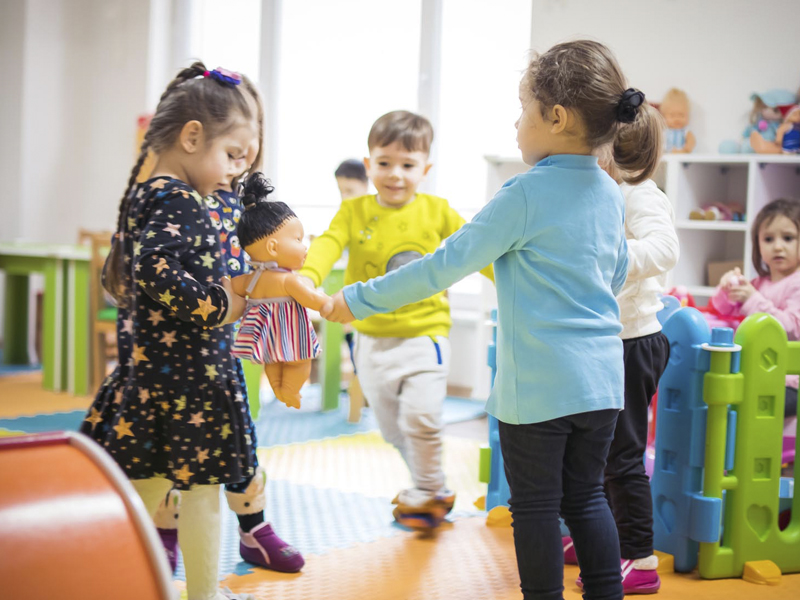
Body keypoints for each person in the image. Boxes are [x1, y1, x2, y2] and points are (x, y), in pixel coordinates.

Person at [322, 40, 664, 600]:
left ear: (556, 118)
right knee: (587, 498)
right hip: (603, 383)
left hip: (539, 389)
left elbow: (441, 267)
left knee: (536, 507)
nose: (516, 123)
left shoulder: (524, 194)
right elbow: (619, 268)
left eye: (523, 109)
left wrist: (357, 300)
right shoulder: (609, 191)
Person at [81, 62, 265, 600]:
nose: (236, 171)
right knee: (179, 494)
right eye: (232, 155)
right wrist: (221, 306)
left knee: (159, 491)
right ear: (191, 137)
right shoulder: (176, 197)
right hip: (186, 381)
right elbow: (156, 270)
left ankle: (151, 585)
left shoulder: (158, 193)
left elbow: (176, 258)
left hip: (170, 379)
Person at [299, 110, 493, 530]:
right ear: (369, 165)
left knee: (421, 417)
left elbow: (476, 249)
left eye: (408, 165)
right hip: (370, 339)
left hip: (425, 335)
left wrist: (516, 285)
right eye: (385, 163)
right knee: (392, 429)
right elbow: (329, 243)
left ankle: (428, 489)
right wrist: (308, 277)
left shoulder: (437, 211)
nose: (395, 174)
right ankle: (431, 487)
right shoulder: (354, 212)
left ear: (425, 169)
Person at [151, 184, 306, 576]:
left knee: (238, 440)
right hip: (173, 355)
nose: (235, 159)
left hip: (223, 354)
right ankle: (165, 529)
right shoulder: (175, 201)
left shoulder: (240, 204)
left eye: (241, 153)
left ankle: (253, 528)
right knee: (176, 445)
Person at [562, 146, 680, 594]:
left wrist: (606, 254)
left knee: (622, 454)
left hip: (633, 341)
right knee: (592, 449)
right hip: (605, 337)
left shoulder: (638, 191)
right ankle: (602, 536)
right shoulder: (600, 189)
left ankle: (639, 556)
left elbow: (664, 248)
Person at [230, 173, 328, 408]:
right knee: (301, 362)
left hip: (266, 336)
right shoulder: (287, 280)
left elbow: (231, 286)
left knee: (272, 362)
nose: (304, 246)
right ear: (273, 247)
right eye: (298, 239)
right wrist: (327, 303)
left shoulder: (251, 279)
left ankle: (276, 386)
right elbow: (311, 299)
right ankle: (289, 390)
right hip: (291, 334)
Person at [711, 198, 800, 422]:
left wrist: (752, 299)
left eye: (788, 238)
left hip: (791, 382)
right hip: (757, 374)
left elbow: (792, 329)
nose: (777, 246)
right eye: (768, 239)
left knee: (748, 405)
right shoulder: (759, 283)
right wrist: (727, 288)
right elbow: (721, 309)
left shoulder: (797, 283)